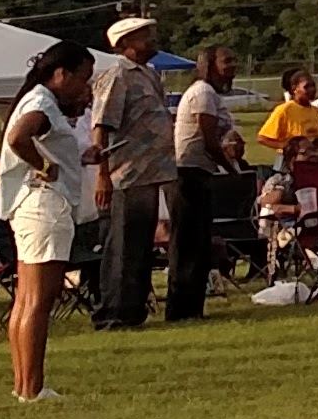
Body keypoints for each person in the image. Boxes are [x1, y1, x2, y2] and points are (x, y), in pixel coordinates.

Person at [0, 42, 96, 402]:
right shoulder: (42, 104)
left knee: (26, 299)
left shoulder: (38, 100)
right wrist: (44, 165)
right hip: (46, 206)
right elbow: (19, 137)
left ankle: (24, 384)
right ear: (61, 74)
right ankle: (32, 388)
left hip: (30, 206)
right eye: (82, 78)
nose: (85, 87)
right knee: (39, 301)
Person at [86, 17, 174, 329]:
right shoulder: (117, 74)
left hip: (150, 173)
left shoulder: (148, 74)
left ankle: (133, 309)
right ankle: (113, 313)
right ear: (124, 45)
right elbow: (102, 126)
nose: (152, 40)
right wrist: (102, 175)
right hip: (125, 173)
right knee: (121, 246)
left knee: (139, 246)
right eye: (143, 37)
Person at [166, 45, 242, 324]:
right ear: (208, 65)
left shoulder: (210, 94)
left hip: (199, 172)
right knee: (187, 243)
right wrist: (230, 169)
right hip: (188, 174)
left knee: (197, 242)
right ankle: (181, 309)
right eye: (226, 60)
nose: (232, 65)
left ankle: (192, 308)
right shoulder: (203, 93)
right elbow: (207, 137)